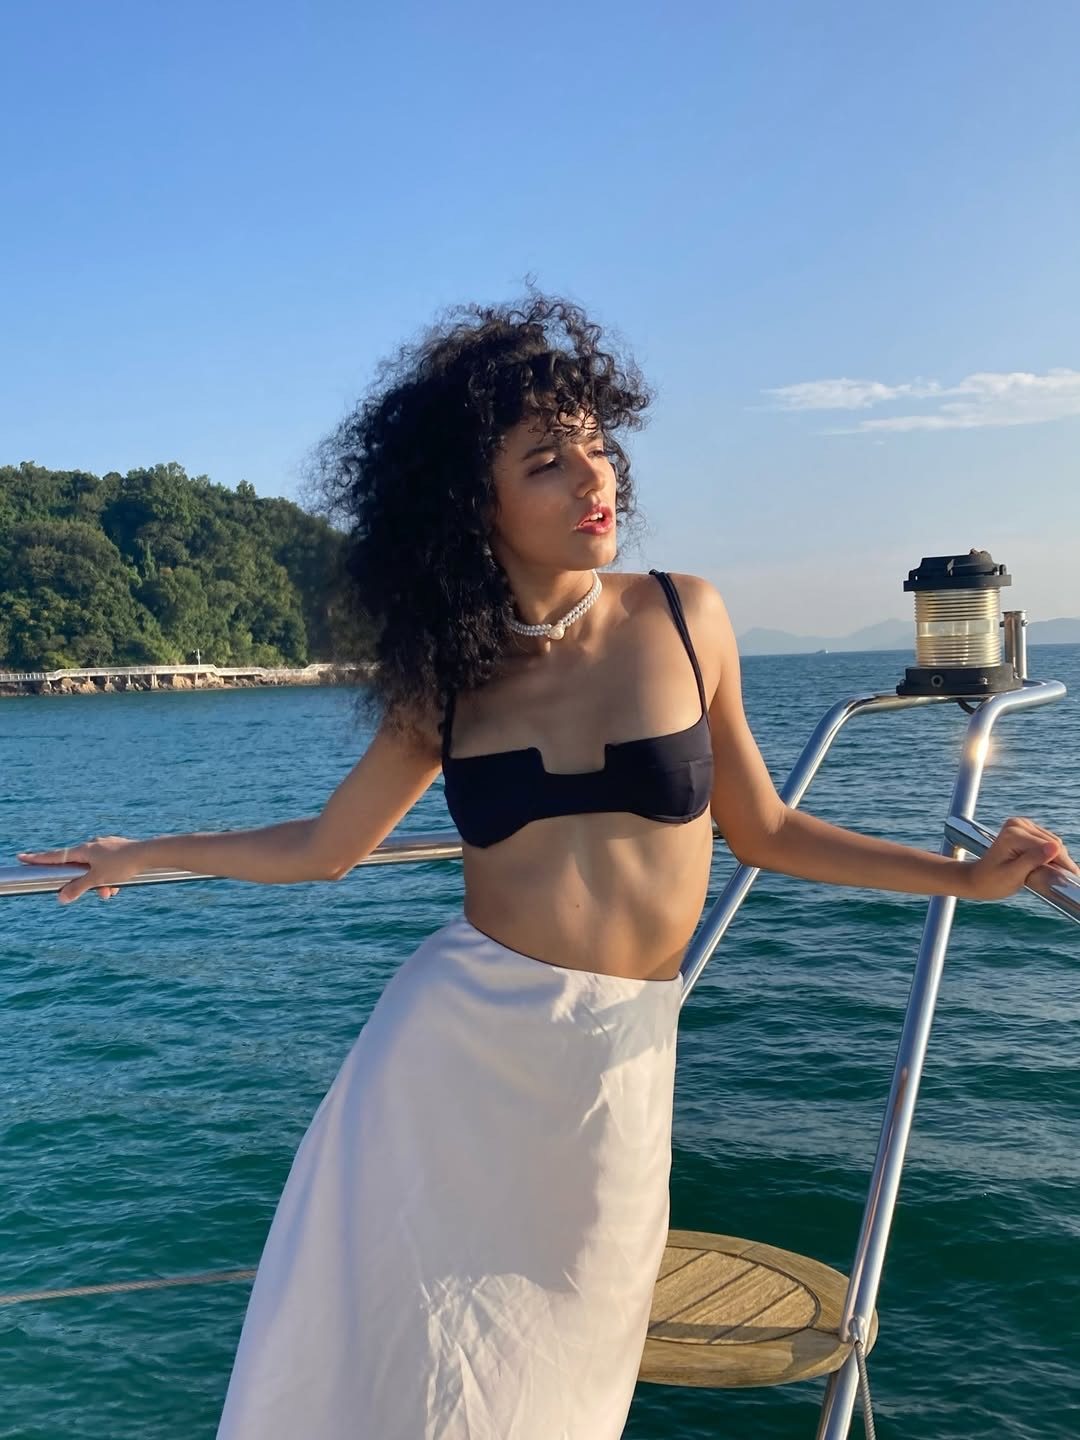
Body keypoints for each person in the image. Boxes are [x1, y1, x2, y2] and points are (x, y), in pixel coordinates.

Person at [16, 292, 1076, 1439]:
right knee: (400, 1367)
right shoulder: (449, 674)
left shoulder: (685, 616)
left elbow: (765, 830)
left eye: (596, 447)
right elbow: (327, 849)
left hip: (617, 1058)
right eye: (545, 462)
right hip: (454, 1053)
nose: (593, 479)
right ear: (470, 505)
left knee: (564, 1367)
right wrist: (142, 854)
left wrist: (964, 877)